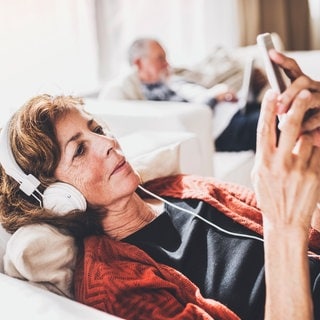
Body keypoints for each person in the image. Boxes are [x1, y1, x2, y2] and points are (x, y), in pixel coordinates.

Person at [0, 52, 320, 320]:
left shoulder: (178, 187)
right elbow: (288, 231)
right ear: (59, 197)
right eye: (79, 150)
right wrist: (284, 226)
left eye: (97, 128)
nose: (107, 143)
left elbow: (310, 237)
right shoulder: (115, 282)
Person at [99, 38, 268, 152]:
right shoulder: (149, 93)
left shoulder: (169, 80)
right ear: (138, 63)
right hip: (220, 128)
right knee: (275, 120)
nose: (167, 63)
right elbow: (184, 119)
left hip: (232, 112)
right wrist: (213, 97)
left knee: (276, 108)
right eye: (160, 58)